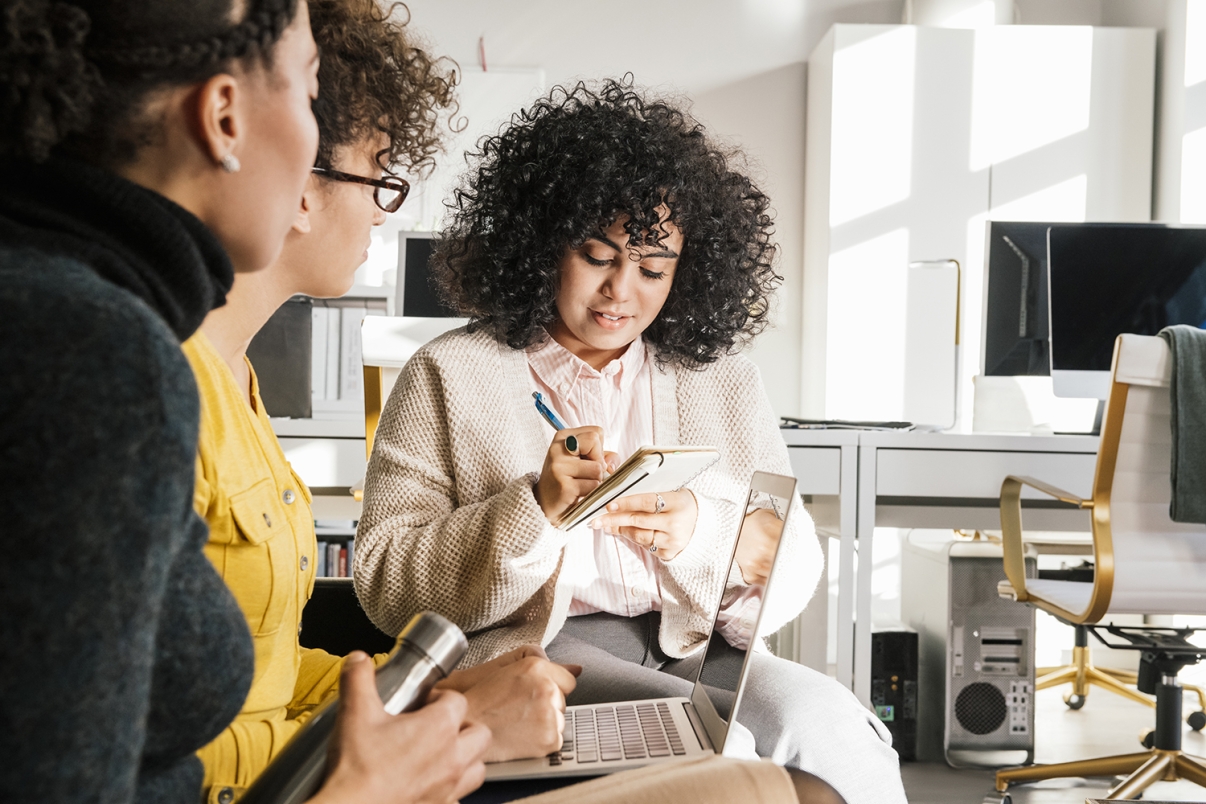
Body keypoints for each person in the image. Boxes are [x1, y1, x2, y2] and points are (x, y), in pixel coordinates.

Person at [355, 78, 908, 804]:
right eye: (597, 256)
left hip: (704, 650)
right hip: (544, 653)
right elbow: (384, 582)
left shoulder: (722, 378)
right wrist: (536, 512)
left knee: (843, 735)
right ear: (543, 243)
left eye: (652, 269)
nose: (622, 292)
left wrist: (710, 534)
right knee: (726, 759)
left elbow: (791, 562)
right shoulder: (450, 373)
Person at [0, 1, 486, 801]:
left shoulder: (89, 321)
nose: (308, 150)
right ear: (224, 117)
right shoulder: (97, 353)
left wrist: (428, 708)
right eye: (304, 89)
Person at [185, 1, 578, 796]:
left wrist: (439, 699)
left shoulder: (238, 380)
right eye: (380, 174)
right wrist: (451, 724)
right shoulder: (165, 384)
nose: (380, 209)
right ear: (303, 186)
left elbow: (266, 679)